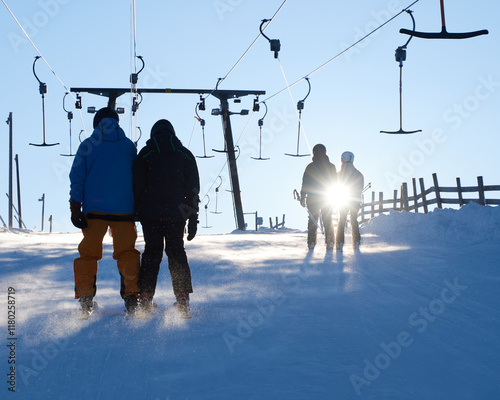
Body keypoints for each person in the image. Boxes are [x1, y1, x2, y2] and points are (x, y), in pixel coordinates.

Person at [69, 107, 141, 316]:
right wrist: (136, 206)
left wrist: (75, 207)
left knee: (88, 255)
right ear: (117, 122)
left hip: (94, 211)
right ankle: (131, 298)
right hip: (124, 211)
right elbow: (136, 178)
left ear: (96, 123)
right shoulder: (128, 146)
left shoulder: (88, 145)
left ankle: (85, 299)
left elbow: (77, 178)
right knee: (127, 253)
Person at [133, 119, 199, 315]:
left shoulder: (145, 154)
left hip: (150, 214)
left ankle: (145, 296)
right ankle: (182, 297)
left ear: (153, 134)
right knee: (176, 252)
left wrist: (135, 212)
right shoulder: (185, 155)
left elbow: (137, 185)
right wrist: (192, 217)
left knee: (152, 253)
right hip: (176, 215)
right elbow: (193, 189)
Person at [300, 144, 337, 250]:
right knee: (327, 218)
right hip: (327, 197)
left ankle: (311, 242)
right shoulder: (331, 166)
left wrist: (303, 196)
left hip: (313, 198)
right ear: (325, 152)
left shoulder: (310, 166)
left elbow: (305, 183)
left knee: (312, 220)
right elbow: (335, 182)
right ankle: (330, 241)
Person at [336, 151, 364, 251]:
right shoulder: (358, 174)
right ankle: (356, 241)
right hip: (354, 200)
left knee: (341, 220)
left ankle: (339, 243)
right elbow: (360, 188)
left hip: (343, 200)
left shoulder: (338, 174)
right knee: (354, 219)